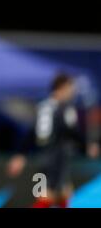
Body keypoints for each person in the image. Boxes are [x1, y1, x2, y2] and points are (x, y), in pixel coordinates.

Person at [7, 73, 99, 208]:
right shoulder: (64, 108)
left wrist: (21, 154)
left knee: (64, 193)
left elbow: (32, 132)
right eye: (70, 88)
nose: (72, 92)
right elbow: (70, 130)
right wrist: (86, 146)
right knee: (48, 195)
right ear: (61, 88)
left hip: (43, 157)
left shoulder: (43, 107)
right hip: (57, 158)